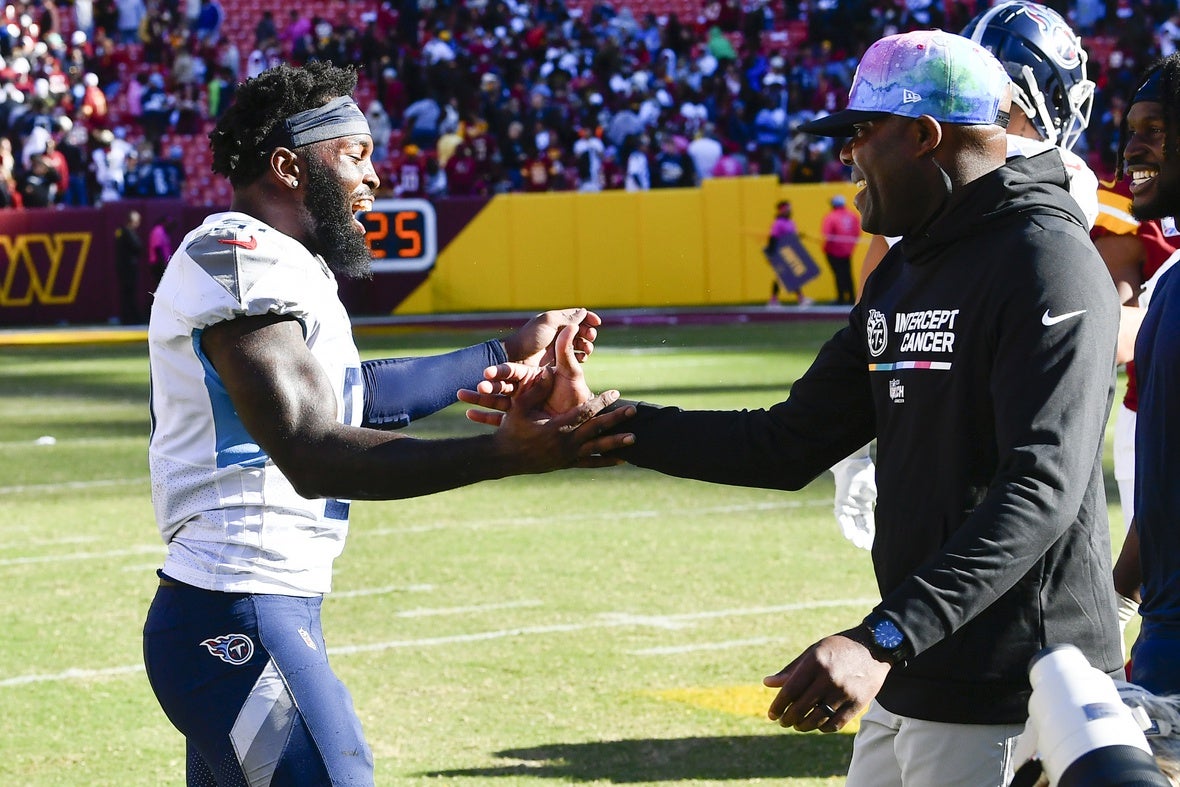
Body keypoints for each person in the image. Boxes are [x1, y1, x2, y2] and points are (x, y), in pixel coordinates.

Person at [465, 30, 1123, 786]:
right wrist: (596, 426)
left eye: (859, 133)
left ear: (923, 136)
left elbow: (1040, 489)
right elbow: (786, 442)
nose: (845, 156)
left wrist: (881, 637)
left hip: (1013, 688)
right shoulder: (910, 265)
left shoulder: (1048, 260)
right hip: (915, 668)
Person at [141, 61, 635, 786]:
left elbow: (353, 394)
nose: (375, 176)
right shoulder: (236, 256)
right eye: (356, 155)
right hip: (235, 611)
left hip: (253, 608)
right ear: (287, 166)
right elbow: (313, 450)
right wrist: (509, 453)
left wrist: (507, 349)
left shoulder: (291, 266)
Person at [830, 0, 1104, 553]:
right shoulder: (1066, 180)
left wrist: (852, 451)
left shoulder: (941, 191)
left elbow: (872, 316)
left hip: (969, 510)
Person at [1109, 55, 1180, 697]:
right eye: (1133, 127)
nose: (1134, 145)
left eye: (1157, 129)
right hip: (1163, 632)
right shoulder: (1170, 281)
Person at [763, 199, 817, 307]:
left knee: (789, 275)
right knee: (784, 275)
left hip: (790, 252)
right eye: (787, 209)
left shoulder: (790, 222)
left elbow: (791, 238)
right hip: (781, 253)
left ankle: (793, 298)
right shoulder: (778, 223)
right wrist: (771, 254)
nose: (789, 211)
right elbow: (773, 239)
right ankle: (779, 299)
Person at [819, 194, 859, 305]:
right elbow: (857, 232)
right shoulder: (852, 216)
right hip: (847, 250)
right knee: (847, 273)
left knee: (838, 274)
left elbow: (827, 235)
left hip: (834, 251)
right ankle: (851, 297)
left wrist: (825, 249)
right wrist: (851, 247)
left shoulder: (831, 217)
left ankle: (841, 298)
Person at [113, 209, 143, 324]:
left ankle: (130, 317)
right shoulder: (125, 232)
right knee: (128, 293)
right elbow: (136, 247)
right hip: (127, 268)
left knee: (129, 293)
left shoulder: (124, 232)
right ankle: (129, 318)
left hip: (127, 267)